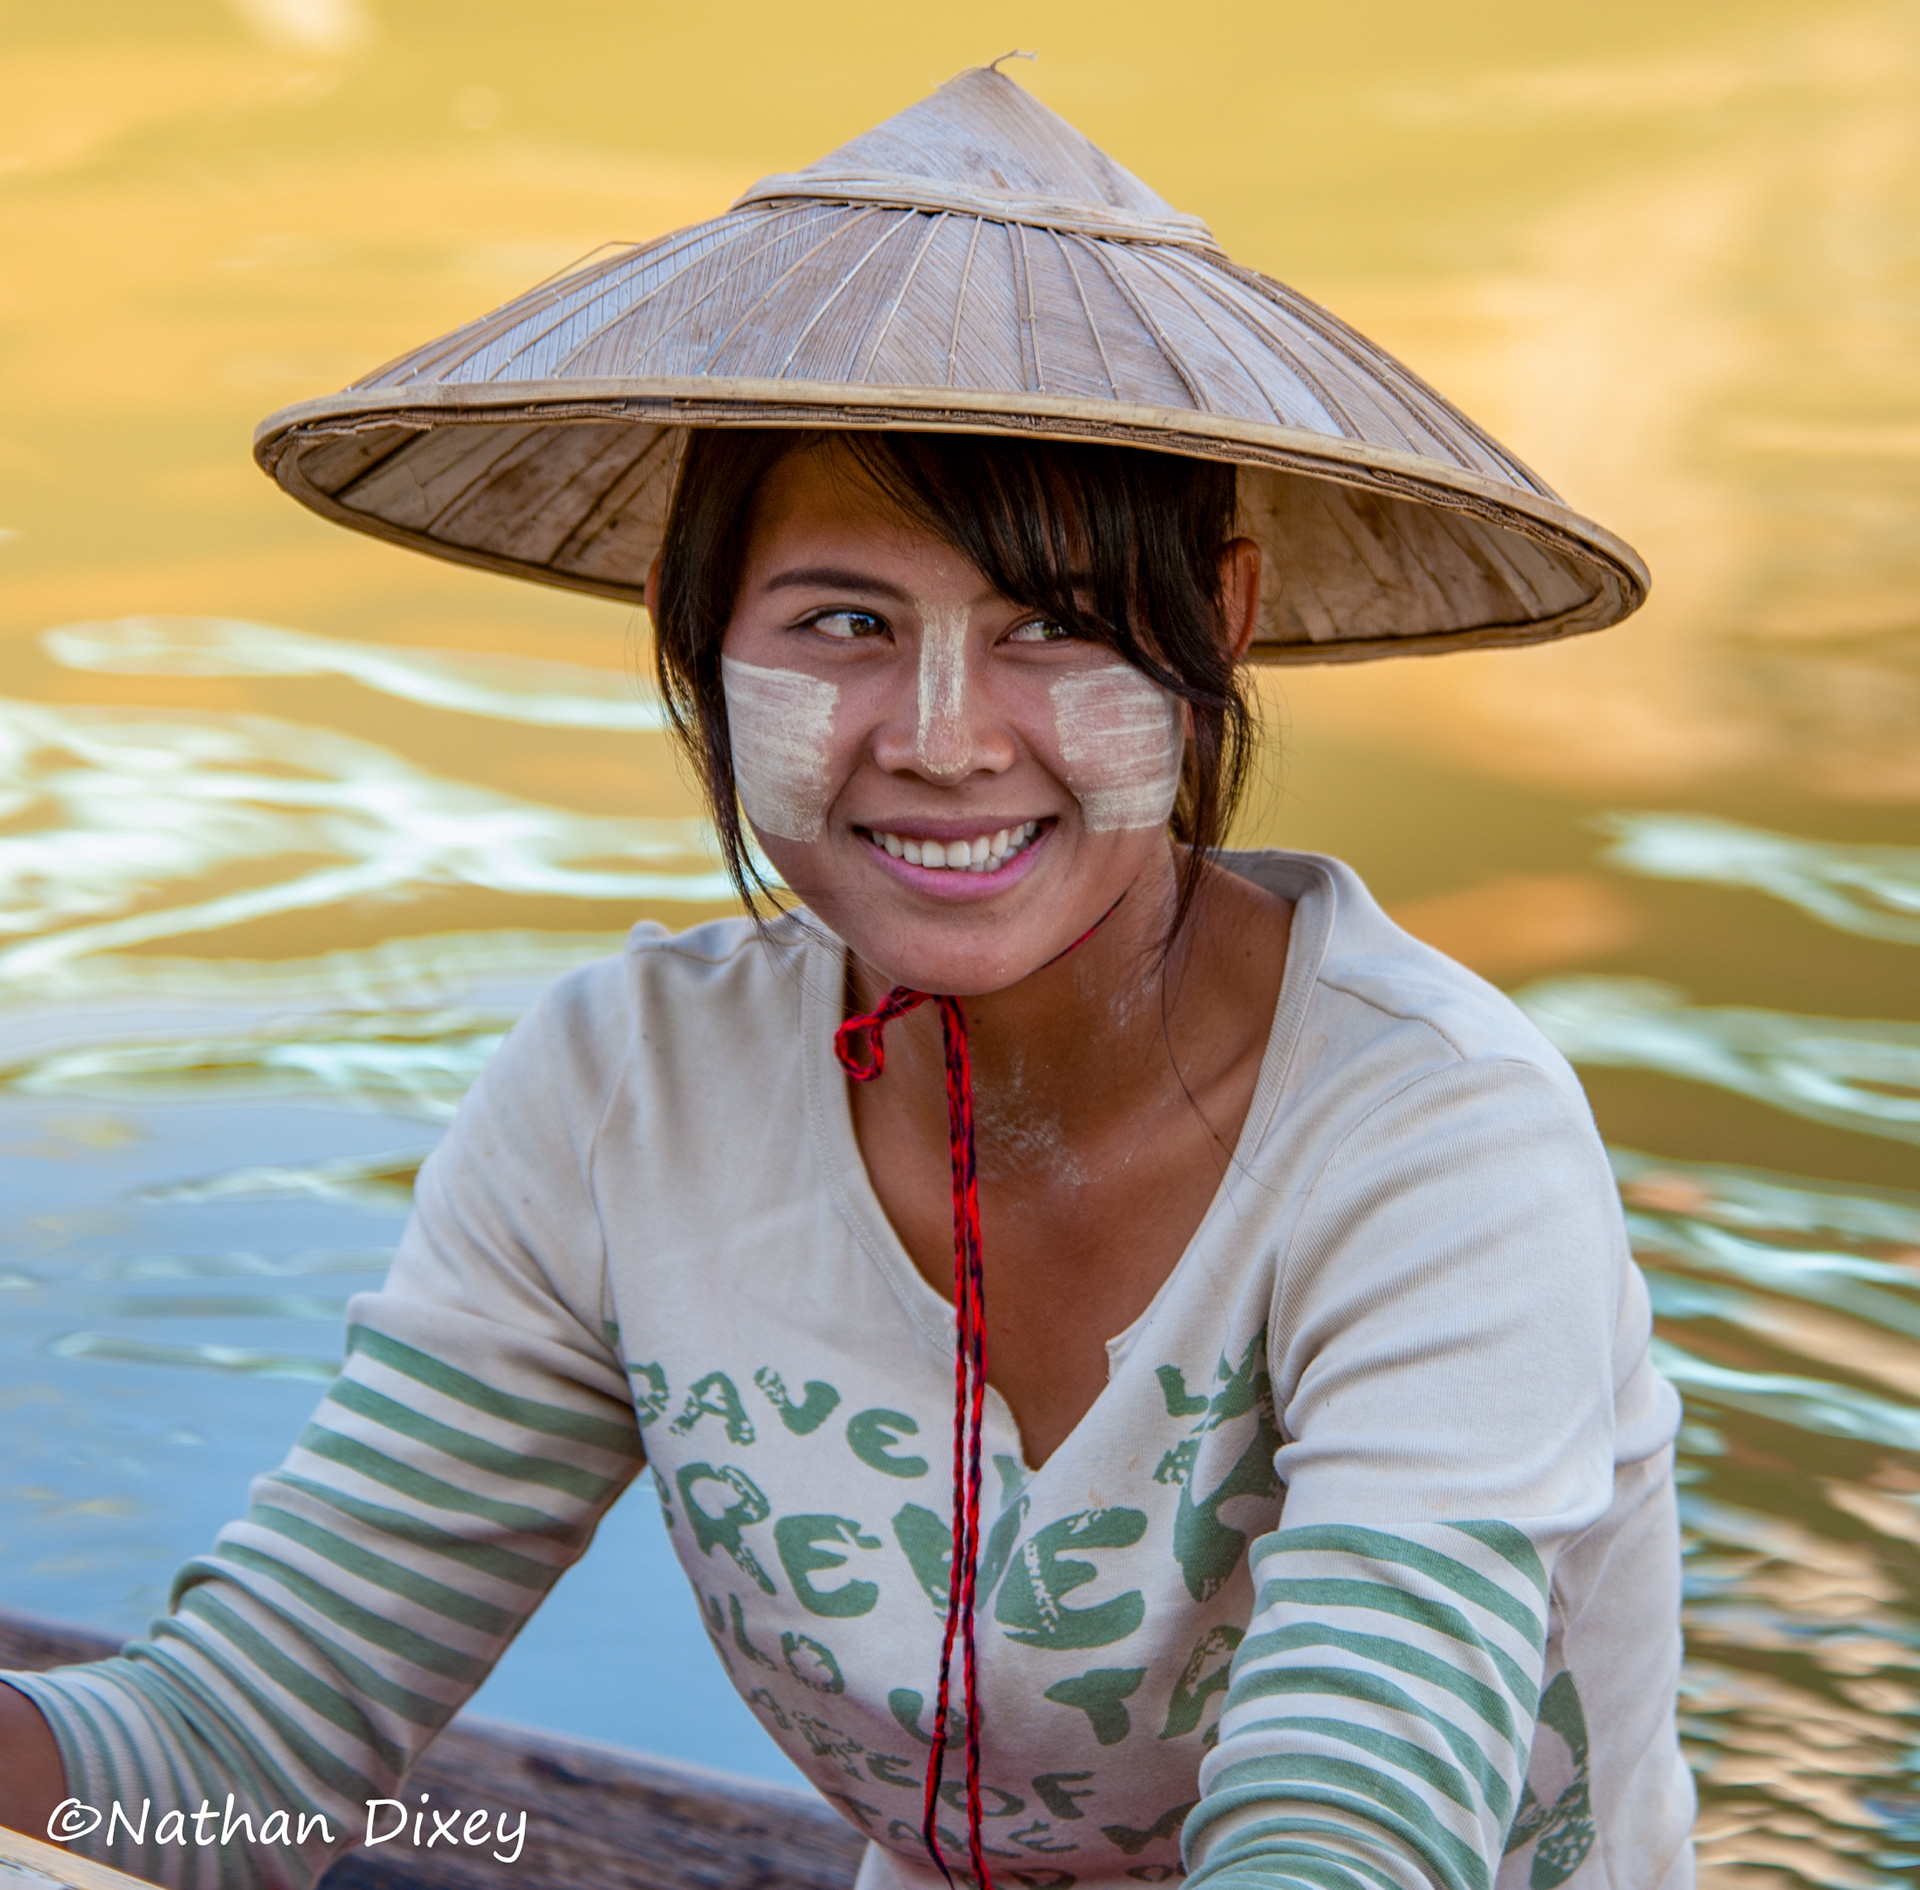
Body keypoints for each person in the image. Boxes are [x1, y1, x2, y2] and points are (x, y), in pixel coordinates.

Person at [0, 66, 1693, 1890]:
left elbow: (1346, 1832)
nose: (948, 740)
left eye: (1055, 623)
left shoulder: (1434, 1136)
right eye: (841, 624)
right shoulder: (621, 1097)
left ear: (1229, 622)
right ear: (699, 634)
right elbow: (222, 1762)